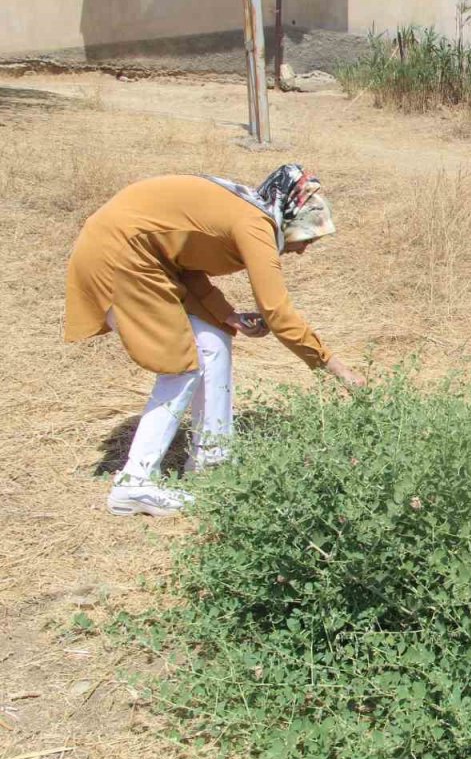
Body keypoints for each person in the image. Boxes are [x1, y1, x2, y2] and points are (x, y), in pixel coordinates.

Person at [65, 165, 366, 517]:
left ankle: (212, 460)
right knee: (181, 365)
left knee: (213, 338)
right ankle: (135, 483)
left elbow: (180, 258)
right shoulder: (256, 225)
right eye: (308, 239)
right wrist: (335, 366)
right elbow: (278, 314)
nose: (303, 251)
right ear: (290, 217)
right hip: (119, 256)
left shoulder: (248, 211)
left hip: (139, 253)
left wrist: (226, 315)